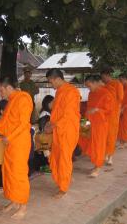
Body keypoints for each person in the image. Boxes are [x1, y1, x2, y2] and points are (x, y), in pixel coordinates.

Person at [0, 77, 33, 219]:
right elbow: (5, 120)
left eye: (0, 89)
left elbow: (23, 124)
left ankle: (23, 206)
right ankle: (14, 200)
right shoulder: (12, 100)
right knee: (9, 173)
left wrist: (9, 137)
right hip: (10, 143)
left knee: (19, 173)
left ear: (8, 87)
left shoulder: (23, 98)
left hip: (19, 143)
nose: (0, 93)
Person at [46, 68, 80, 198]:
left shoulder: (71, 92)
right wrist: (51, 123)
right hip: (58, 130)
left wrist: (53, 124)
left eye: (51, 82)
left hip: (67, 130)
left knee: (64, 159)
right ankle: (62, 181)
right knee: (57, 157)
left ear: (57, 79)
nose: (51, 85)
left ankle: (63, 188)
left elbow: (68, 115)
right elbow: (57, 112)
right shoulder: (60, 92)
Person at [81, 75, 114, 177]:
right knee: (83, 137)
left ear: (95, 82)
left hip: (100, 124)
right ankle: (95, 163)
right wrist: (84, 120)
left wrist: (97, 110)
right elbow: (89, 107)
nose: (88, 88)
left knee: (98, 145)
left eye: (89, 85)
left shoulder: (106, 93)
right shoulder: (91, 93)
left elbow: (109, 110)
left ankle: (97, 167)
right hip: (88, 121)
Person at [100, 68, 124, 165]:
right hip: (104, 115)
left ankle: (110, 156)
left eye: (103, 77)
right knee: (104, 136)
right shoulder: (104, 86)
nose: (102, 79)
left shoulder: (117, 84)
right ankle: (105, 154)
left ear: (107, 75)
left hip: (113, 114)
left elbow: (120, 98)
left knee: (111, 136)